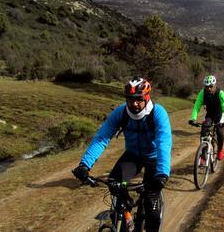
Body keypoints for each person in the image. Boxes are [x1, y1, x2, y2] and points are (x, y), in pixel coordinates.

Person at [72, 76, 172, 232]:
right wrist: (85, 165)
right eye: (130, 99)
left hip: (153, 157)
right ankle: (125, 214)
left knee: (152, 209)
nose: (134, 104)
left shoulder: (158, 113)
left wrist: (162, 173)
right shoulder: (121, 113)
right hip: (132, 155)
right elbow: (101, 138)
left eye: (138, 99)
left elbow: (164, 143)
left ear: (146, 98)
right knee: (114, 183)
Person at [188, 75, 224, 160]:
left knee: (220, 133)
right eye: (207, 87)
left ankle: (220, 150)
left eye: (211, 86)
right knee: (204, 131)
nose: (209, 89)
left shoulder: (220, 93)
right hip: (210, 114)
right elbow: (197, 105)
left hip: (219, 114)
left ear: (215, 85)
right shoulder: (202, 93)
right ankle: (203, 154)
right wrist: (193, 118)